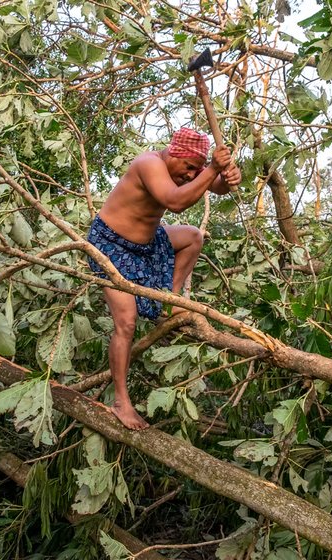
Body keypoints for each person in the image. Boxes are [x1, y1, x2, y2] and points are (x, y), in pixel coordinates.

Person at [87, 128, 242, 430]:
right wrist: (212, 169)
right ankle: (121, 401)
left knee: (192, 237)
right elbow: (175, 202)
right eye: (189, 167)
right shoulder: (149, 165)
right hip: (110, 245)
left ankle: (170, 301)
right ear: (174, 153)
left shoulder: (185, 170)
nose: (191, 175)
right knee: (127, 322)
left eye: (197, 169)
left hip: (147, 243)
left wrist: (227, 176)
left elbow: (214, 186)